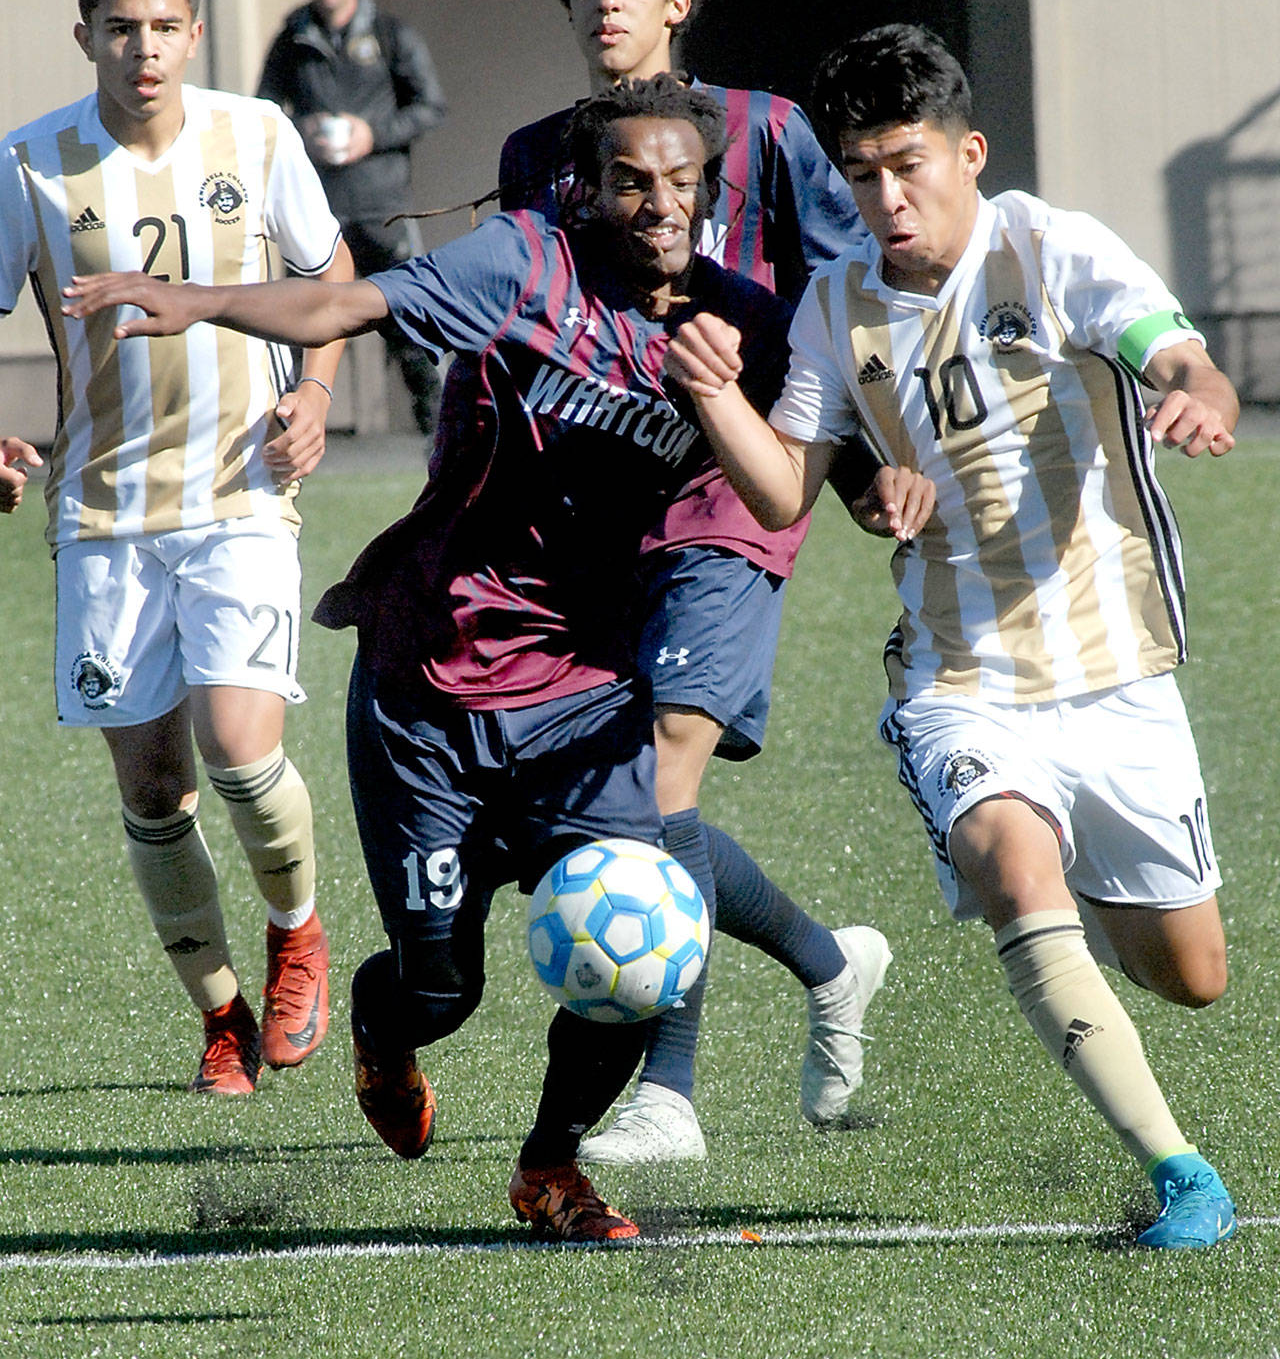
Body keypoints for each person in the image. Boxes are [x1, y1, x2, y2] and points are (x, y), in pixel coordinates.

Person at [64, 75, 925, 1242]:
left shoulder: (741, 320)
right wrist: (195, 299)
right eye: (630, 181)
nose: (657, 204)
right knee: (439, 988)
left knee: (647, 946)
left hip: (584, 695)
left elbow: (800, 463)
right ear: (590, 187)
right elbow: (344, 308)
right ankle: (382, 1036)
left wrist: (829, 455)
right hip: (429, 682)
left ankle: (550, 1166)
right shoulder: (526, 262)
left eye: (681, 183)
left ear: (710, 191)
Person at [664, 23, 1239, 1251]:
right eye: (859, 173)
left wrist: (1192, 388)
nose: (885, 196)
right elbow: (782, 489)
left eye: (906, 164)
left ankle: (1070, 904)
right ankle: (1180, 1172)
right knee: (1008, 865)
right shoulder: (836, 305)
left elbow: (1171, 349)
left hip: (1113, 667)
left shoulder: (1051, 247)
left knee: (1191, 975)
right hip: (957, 675)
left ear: (967, 152)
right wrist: (717, 395)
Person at [500, 0, 891, 1164]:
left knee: (662, 761)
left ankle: (664, 1092)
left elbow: (843, 297)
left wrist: (858, 461)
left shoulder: (764, 130)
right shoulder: (535, 157)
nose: (604, 3)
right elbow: (524, 328)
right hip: (596, 504)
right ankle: (825, 963)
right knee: (609, 803)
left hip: (733, 484)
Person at [0, 0, 350, 1096]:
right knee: (153, 792)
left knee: (242, 754)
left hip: (239, 495)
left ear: (192, 32)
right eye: (119, 28)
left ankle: (298, 933)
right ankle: (221, 1018)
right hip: (101, 514)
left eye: (162, 27)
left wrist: (311, 395)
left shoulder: (255, 135)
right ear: (85, 36)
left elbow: (328, 277)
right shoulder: (33, 161)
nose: (142, 49)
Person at [258, 0, 447, 440]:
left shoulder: (391, 34)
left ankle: (439, 440)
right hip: (318, 209)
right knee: (301, 323)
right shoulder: (293, 37)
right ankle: (287, 433)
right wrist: (305, 134)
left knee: (409, 327)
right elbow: (264, 110)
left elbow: (430, 107)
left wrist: (372, 134)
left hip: (382, 207)